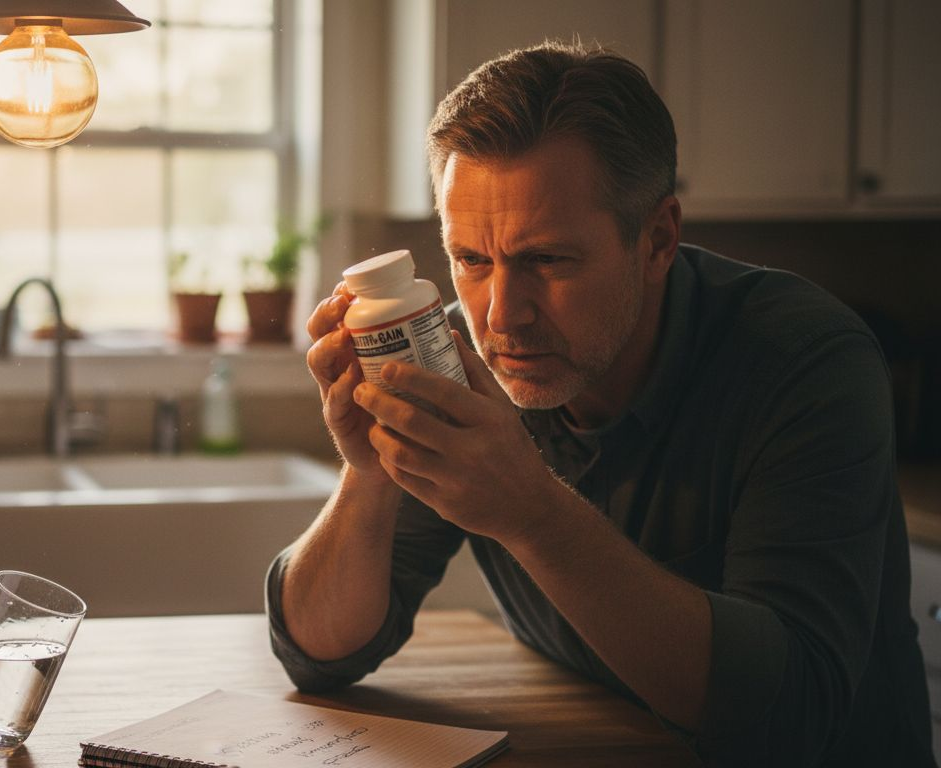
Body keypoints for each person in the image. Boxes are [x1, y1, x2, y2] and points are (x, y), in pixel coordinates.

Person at [265, 40, 934, 767]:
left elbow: (790, 717)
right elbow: (319, 655)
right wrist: (368, 473)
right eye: (471, 261)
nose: (500, 317)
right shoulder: (461, 359)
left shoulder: (807, 360)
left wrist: (531, 512)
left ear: (658, 239)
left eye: (547, 260)